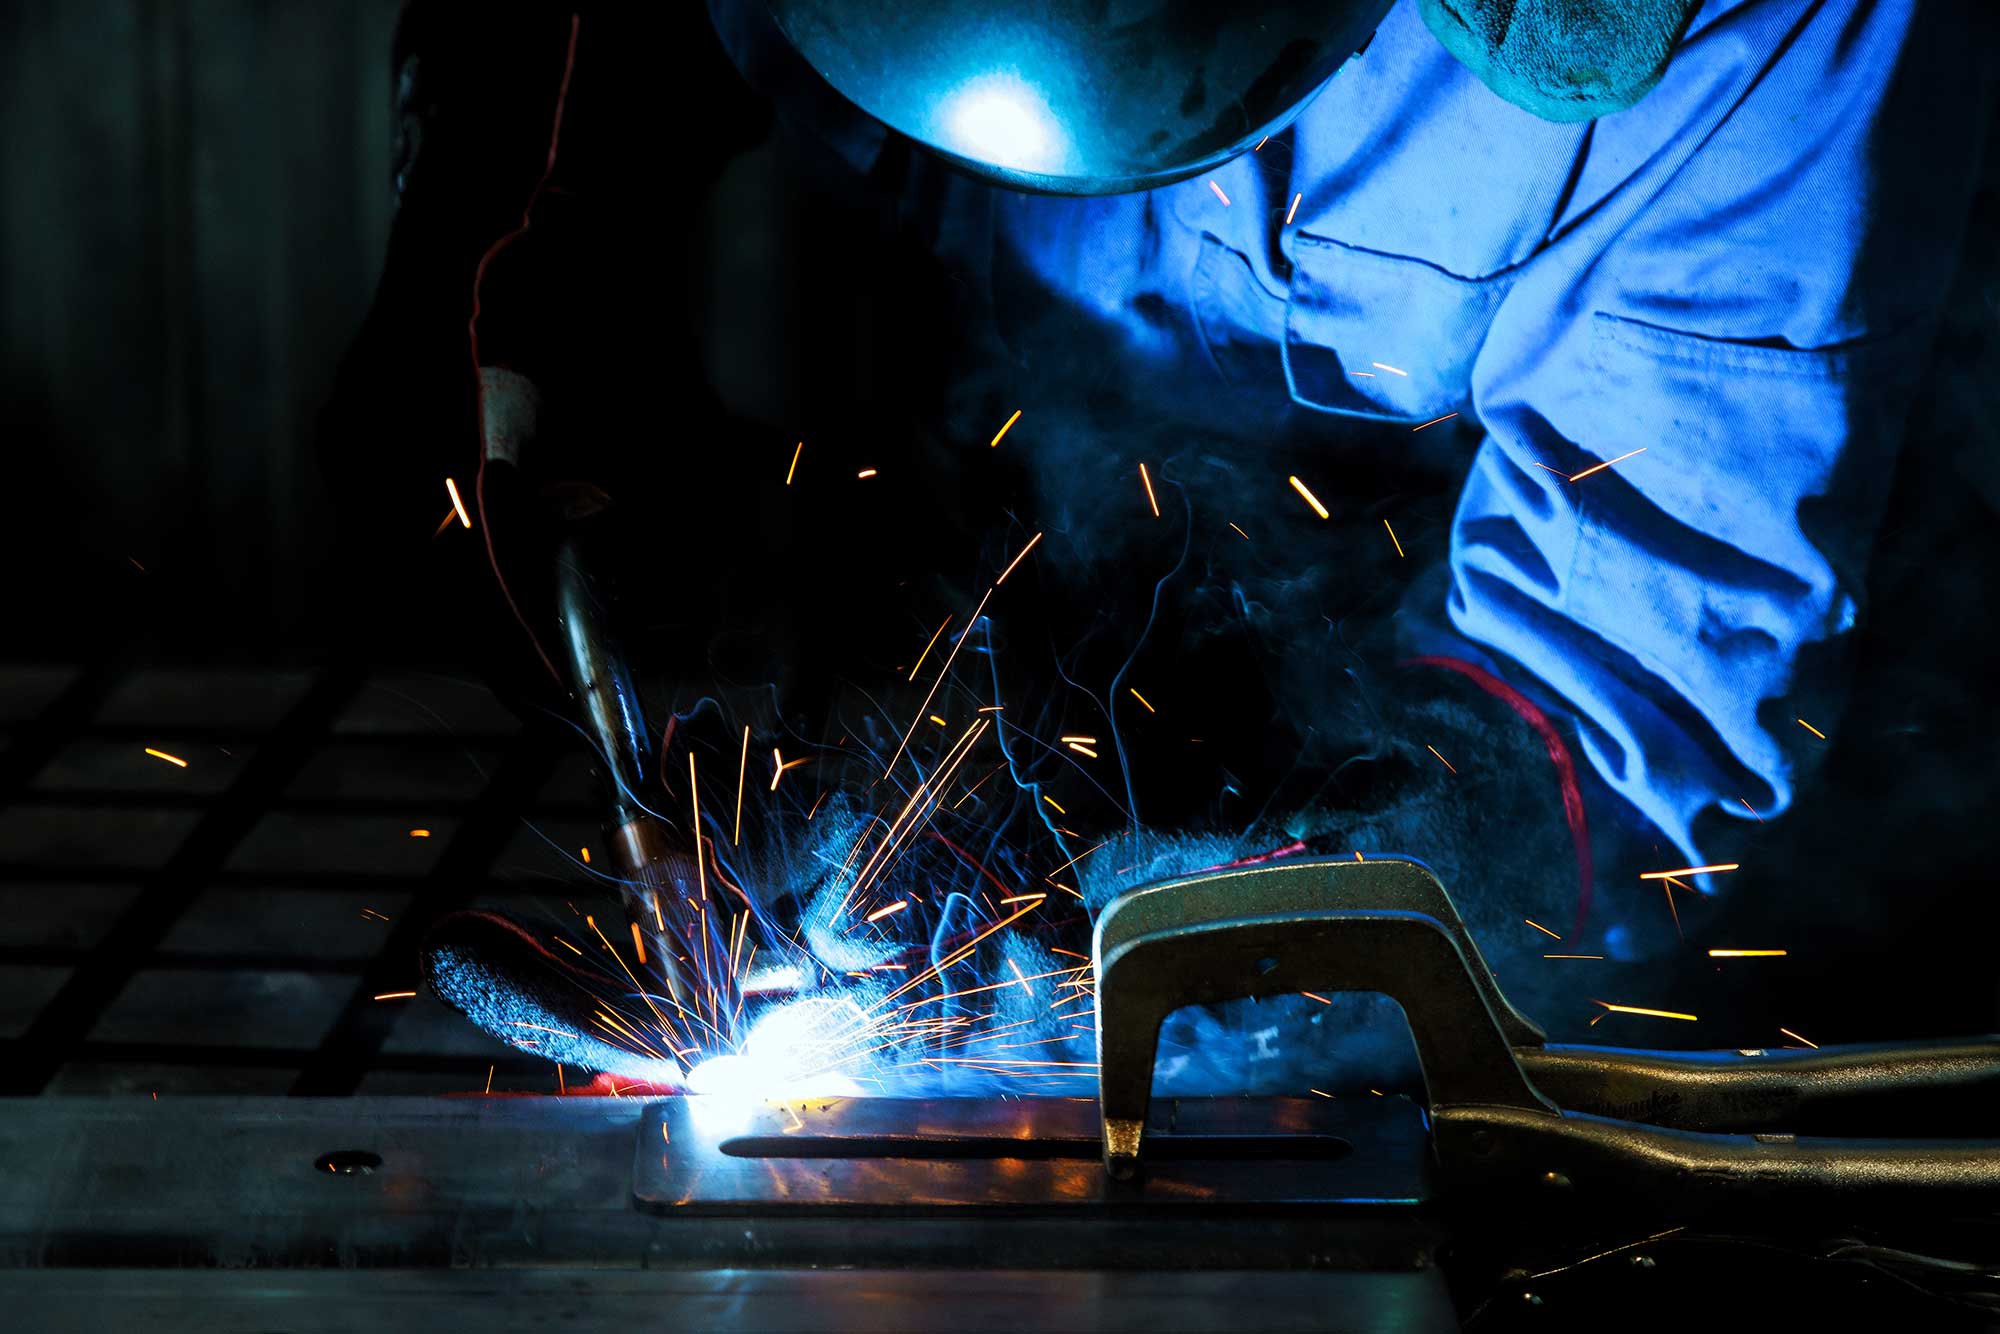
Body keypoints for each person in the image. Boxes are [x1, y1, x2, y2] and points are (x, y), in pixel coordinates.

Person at [333, 0, 1995, 1058]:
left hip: (1772, 775)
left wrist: (1319, 884)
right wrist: (532, 254)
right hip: (1091, 547)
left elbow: (1611, 726)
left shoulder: (1753, 34)